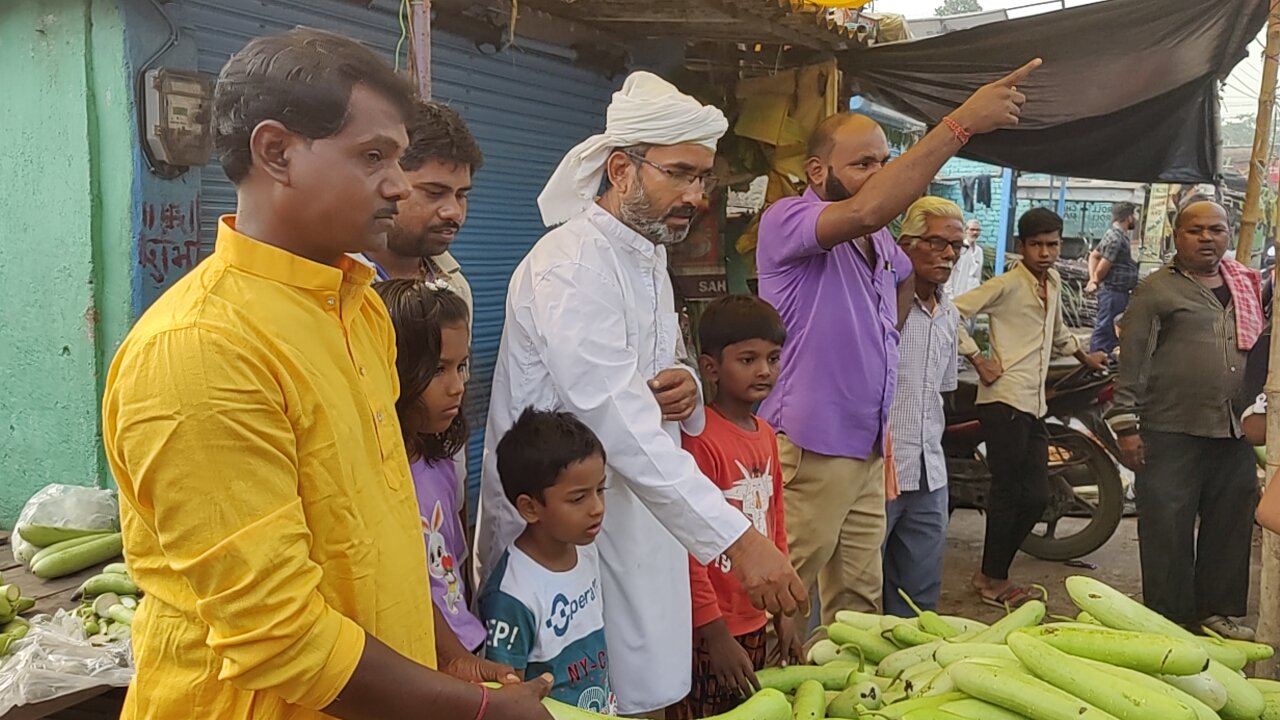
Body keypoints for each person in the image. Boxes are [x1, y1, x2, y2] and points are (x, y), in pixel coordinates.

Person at [100, 29, 552, 720]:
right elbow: (278, 636)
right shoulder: (203, 348)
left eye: (399, 159)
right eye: (373, 157)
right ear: (276, 152)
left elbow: (388, 530)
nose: (398, 186)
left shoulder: (362, 312)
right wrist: (476, 712)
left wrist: (447, 659)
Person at [476, 71, 808, 717]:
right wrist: (737, 540)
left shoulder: (649, 257)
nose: (696, 195)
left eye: (703, 178)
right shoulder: (570, 265)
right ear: (622, 169)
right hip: (567, 530)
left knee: (645, 690)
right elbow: (617, 419)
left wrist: (685, 382)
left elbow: (653, 383)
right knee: (581, 699)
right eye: (679, 174)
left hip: (643, 521)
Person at [756, 59, 1042, 620]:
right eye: (862, 163)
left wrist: (883, 328)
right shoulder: (788, 219)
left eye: (883, 162)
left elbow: (902, 269)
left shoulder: (882, 246)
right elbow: (868, 209)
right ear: (817, 171)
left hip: (866, 447)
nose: (876, 173)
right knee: (782, 595)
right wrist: (961, 124)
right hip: (811, 444)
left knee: (859, 605)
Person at [1108, 200, 1262, 641]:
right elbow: (1132, 360)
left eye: (1216, 229)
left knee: (1230, 521)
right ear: (1177, 236)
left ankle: (1217, 612)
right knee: (1167, 527)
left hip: (1233, 426)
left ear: (1228, 235)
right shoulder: (1157, 290)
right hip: (1171, 427)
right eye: (1196, 230)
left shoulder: (1246, 285)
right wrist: (1126, 425)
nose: (1207, 238)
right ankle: (1169, 621)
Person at [954, 208, 1108, 608]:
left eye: (1052, 244)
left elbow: (1056, 333)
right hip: (1002, 398)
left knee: (1037, 494)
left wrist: (1085, 357)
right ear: (1021, 246)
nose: (1045, 252)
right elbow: (950, 313)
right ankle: (992, 579)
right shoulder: (1006, 284)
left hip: (1032, 402)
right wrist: (978, 358)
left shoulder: (1053, 281)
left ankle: (992, 573)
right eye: (1036, 244)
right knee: (1008, 493)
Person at [673, 296, 804, 719]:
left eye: (773, 358)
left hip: (754, 618)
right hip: (712, 630)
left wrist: (782, 613)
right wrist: (712, 631)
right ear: (710, 368)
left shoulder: (767, 434)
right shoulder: (700, 440)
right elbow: (689, 545)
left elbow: (774, 526)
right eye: (747, 359)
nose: (764, 370)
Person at [360, 99, 482, 528]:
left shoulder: (453, 286)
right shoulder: (342, 288)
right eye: (434, 193)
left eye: (462, 195)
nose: (454, 212)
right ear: (388, 181)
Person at [375, 279, 491, 660]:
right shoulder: (376, 479)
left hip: (466, 644)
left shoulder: (438, 462)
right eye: (438, 370)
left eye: (461, 367)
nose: (457, 386)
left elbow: (452, 566)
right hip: (421, 661)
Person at [478, 408, 615, 714]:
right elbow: (508, 694)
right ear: (529, 508)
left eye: (600, 490)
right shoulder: (512, 596)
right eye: (578, 498)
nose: (597, 508)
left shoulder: (585, 548)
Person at [881, 198, 962, 618]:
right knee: (855, 585)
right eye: (937, 243)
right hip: (877, 468)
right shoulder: (880, 305)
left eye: (956, 247)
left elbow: (941, 391)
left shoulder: (948, 313)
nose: (948, 254)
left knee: (920, 595)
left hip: (929, 469)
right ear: (905, 243)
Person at [1086, 202, 1140, 354]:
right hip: (1113, 292)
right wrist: (1095, 278)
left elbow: (1094, 255)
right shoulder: (1116, 238)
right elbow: (1104, 264)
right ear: (1128, 217)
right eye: (1134, 215)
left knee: (1112, 328)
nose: (1135, 218)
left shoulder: (1115, 235)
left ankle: (1106, 360)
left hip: (1118, 293)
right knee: (1105, 328)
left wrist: (1093, 279)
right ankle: (1096, 358)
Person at [944, 219, 985, 299]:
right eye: (972, 230)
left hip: (973, 296)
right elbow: (950, 273)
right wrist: (950, 296)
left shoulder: (979, 251)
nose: (975, 233)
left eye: (978, 230)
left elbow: (977, 276)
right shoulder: (959, 249)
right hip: (957, 295)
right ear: (966, 230)